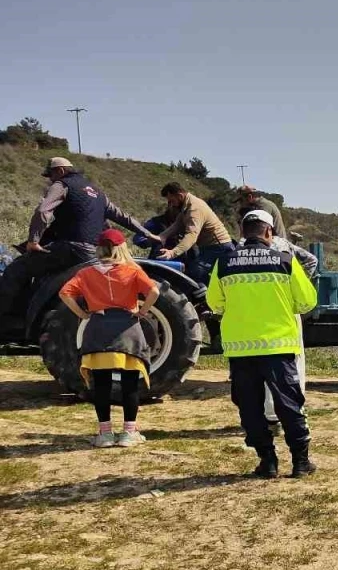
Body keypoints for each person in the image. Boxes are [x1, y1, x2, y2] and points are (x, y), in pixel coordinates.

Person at [206, 210, 318, 478]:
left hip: (242, 349)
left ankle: (267, 462)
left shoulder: (225, 262)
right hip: (279, 347)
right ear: (269, 232)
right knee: (289, 404)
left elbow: (214, 303)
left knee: (250, 407)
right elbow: (307, 302)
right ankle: (301, 462)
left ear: (243, 233)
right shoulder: (285, 260)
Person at [0, 157, 157, 319]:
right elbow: (123, 217)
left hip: (71, 249)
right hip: (93, 252)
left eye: (51, 175)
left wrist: (33, 241)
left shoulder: (61, 185)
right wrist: (148, 234)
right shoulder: (97, 192)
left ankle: (7, 319)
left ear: (60, 171)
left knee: (17, 268)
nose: (50, 180)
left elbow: (42, 211)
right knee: (41, 270)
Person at [57, 229, 160, 448]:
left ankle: (105, 435)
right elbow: (154, 292)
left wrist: (83, 314)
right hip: (128, 331)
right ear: (121, 248)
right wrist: (142, 312)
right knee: (129, 385)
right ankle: (128, 433)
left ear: (100, 248)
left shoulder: (85, 273)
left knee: (101, 385)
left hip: (98, 330)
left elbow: (64, 293)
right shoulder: (132, 270)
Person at [260, 227, 318, 426]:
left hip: (260, 310)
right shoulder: (284, 246)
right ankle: (296, 410)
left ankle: (270, 413)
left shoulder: (245, 248)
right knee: (293, 364)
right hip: (286, 309)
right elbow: (311, 260)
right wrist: (298, 285)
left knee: (264, 365)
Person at [155, 182, 234, 283]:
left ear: (180, 196)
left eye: (172, 200)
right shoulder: (185, 206)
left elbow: (191, 236)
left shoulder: (194, 208)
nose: (171, 204)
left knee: (195, 274)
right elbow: (178, 224)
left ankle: (204, 297)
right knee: (197, 275)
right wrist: (162, 236)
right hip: (207, 248)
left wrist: (172, 253)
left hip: (219, 247)